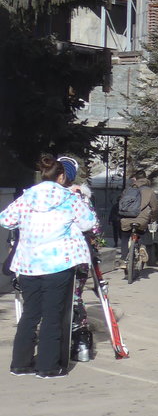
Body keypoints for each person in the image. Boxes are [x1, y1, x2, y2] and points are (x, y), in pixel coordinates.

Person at [1, 155, 99, 378]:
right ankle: (47, 366)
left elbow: (6, 219)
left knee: (30, 314)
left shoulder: (27, 197)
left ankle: (20, 363)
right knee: (53, 316)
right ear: (62, 176)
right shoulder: (70, 198)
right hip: (58, 264)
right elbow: (88, 222)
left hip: (27, 264)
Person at [117, 171, 158, 268]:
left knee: (124, 238)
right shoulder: (149, 191)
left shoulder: (128, 190)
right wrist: (153, 218)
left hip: (126, 218)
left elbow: (121, 203)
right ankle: (142, 246)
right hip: (142, 219)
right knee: (142, 232)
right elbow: (155, 208)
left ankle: (123, 260)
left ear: (135, 179)